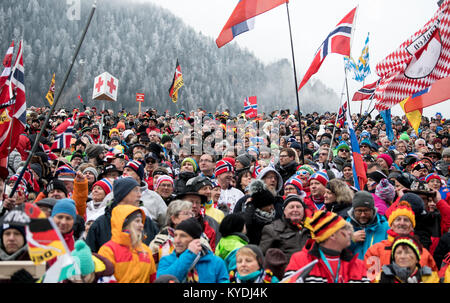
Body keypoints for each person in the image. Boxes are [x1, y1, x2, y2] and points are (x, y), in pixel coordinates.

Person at [283, 210, 369, 283]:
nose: (350, 233)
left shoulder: (358, 264)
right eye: (345, 229)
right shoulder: (300, 261)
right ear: (332, 235)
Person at [364, 201, 438, 281]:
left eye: (406, 220)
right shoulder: (376, 250)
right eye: (398, 219)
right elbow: (370, 278)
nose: (402, 223)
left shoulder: (423, 253)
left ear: (412, 226)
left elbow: (433, 279)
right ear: (391, 225)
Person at [86, 177, 159, 253]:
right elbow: (91, 255)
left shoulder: (146, 222)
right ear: (123, 194)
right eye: (135, 190)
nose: (140, 195)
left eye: (140, 191)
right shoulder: (101, 224)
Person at [156, 217, 229, 283]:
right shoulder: (166, 260)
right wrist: (189, 255)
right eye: (175, 235)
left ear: (196, 240)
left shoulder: (216, 263)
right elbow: (163, 281)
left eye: (183, 236)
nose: (176, 241)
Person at [98, 205, 156, 283]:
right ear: (125, 224)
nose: (142, 225)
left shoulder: (146, 250)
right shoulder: (108, 250)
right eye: (137, 221)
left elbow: (152, 278)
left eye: (141, 221)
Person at [259, 195, 310, 260]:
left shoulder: (311, 228)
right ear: (284, 211)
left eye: (298, 207)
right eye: (291, 207)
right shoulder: (272, 229)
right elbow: (262, 255)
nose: (295, 210)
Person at [149, 200, 195, 266]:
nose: (191, 217)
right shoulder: (160, 242)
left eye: (192, 214)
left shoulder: (200, 237)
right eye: (186, 214)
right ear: (174, 218)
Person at [346, 191, 389, 260]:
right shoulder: (345, 227)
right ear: (353, 211)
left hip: (377, 269)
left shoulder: (385, 227)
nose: (363, 215)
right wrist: (351, 240)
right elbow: (338, 252)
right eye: (359, 211)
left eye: (366, 211)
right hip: (354, 270)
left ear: (373, 210)